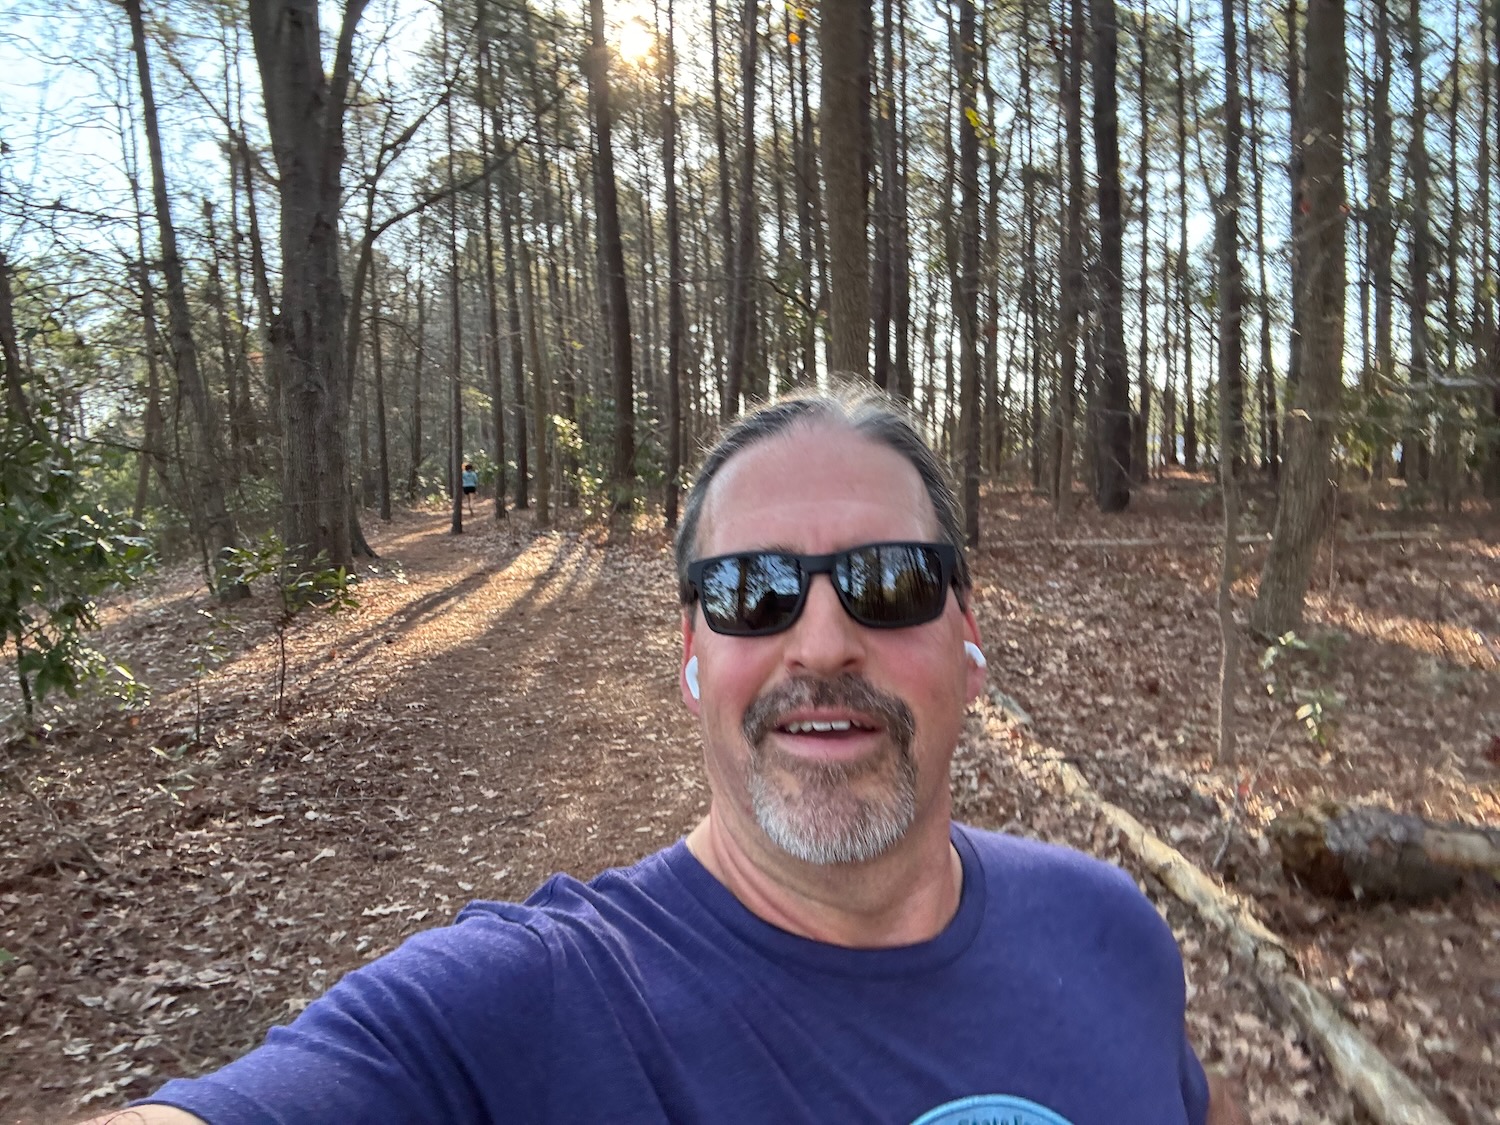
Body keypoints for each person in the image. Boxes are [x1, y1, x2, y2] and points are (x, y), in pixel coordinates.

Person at [86, 388, 1243, 1125]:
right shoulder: (533, 1008)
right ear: (693, 656)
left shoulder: (1109, 928)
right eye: (754, 592)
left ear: (968, 638)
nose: (822, 643)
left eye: (889, 581)